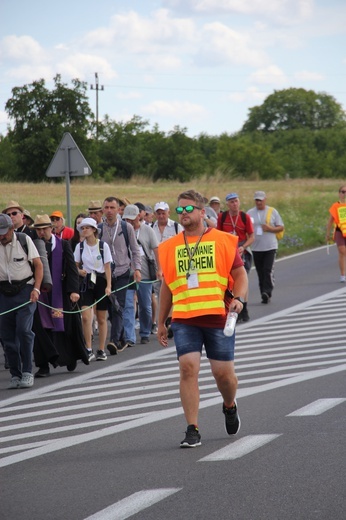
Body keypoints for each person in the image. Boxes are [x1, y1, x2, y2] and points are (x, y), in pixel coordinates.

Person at [157, 189, 248, 448]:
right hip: (185, 318)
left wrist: (239, 299)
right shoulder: (169, 247)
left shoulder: (222, 240)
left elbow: (240, 275)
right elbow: (167, 287)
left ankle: (229, 405)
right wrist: (160, 322)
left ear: (201, 211)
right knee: (187, 368)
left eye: (188, 209)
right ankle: (192, 428)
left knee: (224, 376)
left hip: (218, 316)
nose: (183, 214)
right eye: (180, 210)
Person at [33, 214, 88, 377]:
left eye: (44, 228)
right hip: (39, 294)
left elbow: (71, 268)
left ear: (51, 228)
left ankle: (69, 356)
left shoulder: (63, 245)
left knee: (65, 326)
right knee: (40, 327)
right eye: (38, 229)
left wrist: (74, 291)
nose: (42, 232)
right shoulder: (33, 246)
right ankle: (43, 365)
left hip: (60, 292)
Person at [0, 214, 43, 389]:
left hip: (25, 290)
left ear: (12, 229)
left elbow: (38, 265)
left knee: (24, 330)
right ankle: (15, 374)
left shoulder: (24, 240)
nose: (2, 236)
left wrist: (37, 289)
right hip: (3, 293)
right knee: (7, 336)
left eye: (4, 232)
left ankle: (27, 371)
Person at [100, 197, 142, 355]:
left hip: (123, 272)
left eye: (112, 207)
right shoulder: (99, 229)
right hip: (105, 275)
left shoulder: (126, 227)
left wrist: (137, 269)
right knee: (111, 308)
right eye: (107, 207)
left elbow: (135, 249)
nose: (109, 210)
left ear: (119, 210)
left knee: (119, 305)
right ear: (103, 210)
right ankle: (123, 338)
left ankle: (114, 340)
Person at [74, 217, 112, 361]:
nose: (84, 230)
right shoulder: (80, 247)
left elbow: (107, 266)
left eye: (87, 228)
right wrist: (79, 271)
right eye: (83, 228)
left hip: (101, 281)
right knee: (85, 316)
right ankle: (88, 348)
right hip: (86, 282)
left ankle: (101, 349)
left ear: (94, 230)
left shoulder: (103, 246)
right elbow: (75, 264)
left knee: (102, 318)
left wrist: (109, 286)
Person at [122, 205, 160, 346]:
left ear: (139, 216)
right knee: (128, 305)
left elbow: (156, 250)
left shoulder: (147, 230)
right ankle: (129, 336)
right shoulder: (123, 229)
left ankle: (145, 331)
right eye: (127, 219)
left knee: (145, 305)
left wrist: (159, 269)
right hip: (127, 273)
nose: (130, 222)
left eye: (132, 219)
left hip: (144, 273)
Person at [217, 192, 254, 322]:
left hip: (242, 248)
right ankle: (233, 306)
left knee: (242, 278)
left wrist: (243, 247)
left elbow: (252, 236)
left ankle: (244, 308)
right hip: (227, 249)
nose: (234, 204)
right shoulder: (222, 217)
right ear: (227, 204)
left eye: (236, 201)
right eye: (231, 202)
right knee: (229, 281)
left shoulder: (244, 217)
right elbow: (218, 235)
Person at [247, 191, 284, 304]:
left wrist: (270, 229)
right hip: (256, 248)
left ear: (265, 200)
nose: (259, 202)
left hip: (270, 247)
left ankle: (267, 292)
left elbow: (281, 227)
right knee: (260, 272)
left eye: (261, 200)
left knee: (268, 270)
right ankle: (263, 292)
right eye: (257, 200)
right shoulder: (250, 213)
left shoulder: (272, 211)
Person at [326, 185, 346, 282]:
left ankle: (343, 275)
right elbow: (330, 220)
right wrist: (327, 233)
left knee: (342, 255)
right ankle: (343, 276)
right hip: (339, 231)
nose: (344, 194)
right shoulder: (335, 206)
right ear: (339, 194)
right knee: (342, 251)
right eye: (343, 192)